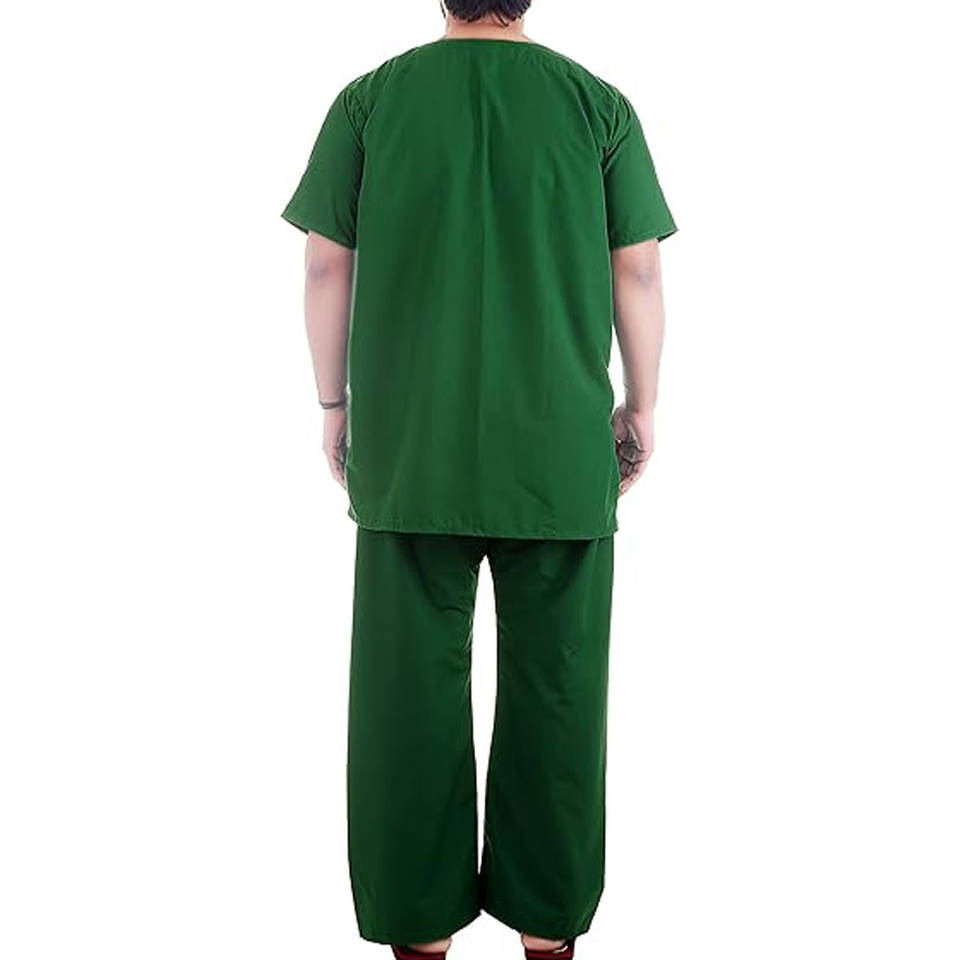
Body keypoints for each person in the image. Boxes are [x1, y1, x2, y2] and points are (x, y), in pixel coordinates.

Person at [281, 1, 675, 957]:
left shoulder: (371, 103)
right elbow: (638, 272)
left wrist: (333, 404)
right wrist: (641, 407)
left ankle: (418, 936)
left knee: (404, 701)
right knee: (560, 697)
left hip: (412, 447)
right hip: (559, 452)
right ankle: (549, 932)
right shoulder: (597, 106)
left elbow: (327, 264)